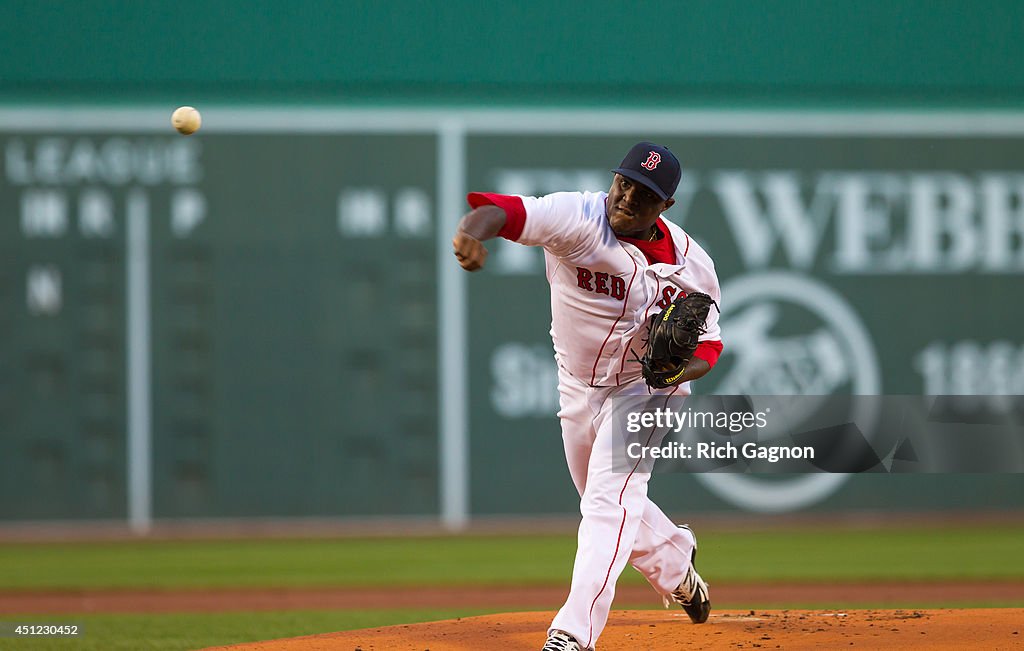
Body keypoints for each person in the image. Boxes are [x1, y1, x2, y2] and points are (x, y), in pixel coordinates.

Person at [452, 142, 723, 651]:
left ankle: (573, 633)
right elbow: (503, 211)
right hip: (576, 382)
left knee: (606, 502)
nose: (626, 198)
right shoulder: (578, 217)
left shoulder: (692, 264)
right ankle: (677, 559)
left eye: (644, 195)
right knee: (611, 505)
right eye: (624, 183)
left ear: (665, 207)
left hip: (646, 389)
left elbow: (710, 345)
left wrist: (680, 369)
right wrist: (471, 232)